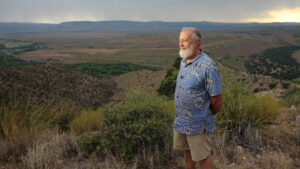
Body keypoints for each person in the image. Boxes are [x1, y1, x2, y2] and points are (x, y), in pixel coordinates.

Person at [173, 27, 223, 169]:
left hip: (198, 124)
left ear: (196, 43)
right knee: (187, 151)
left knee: (202, 156)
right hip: (182, 120)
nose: (181, 44)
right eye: (180, 40)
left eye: (185, 41)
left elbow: (217, 99)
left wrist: (206, 114)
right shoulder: (184, 61)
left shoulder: (208, 66)